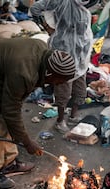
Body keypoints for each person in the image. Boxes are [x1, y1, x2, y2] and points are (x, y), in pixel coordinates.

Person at [0, 38, 76, 189]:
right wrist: (27, 142)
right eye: (57, 81)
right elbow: (10, 110)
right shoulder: (23, 73)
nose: (56, 85)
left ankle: (9, 162)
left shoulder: (43, 52)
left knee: (8, 119)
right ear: (49, 72)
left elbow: (13, 108)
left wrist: (21, 136)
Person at [30, 0, 93, 134]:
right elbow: (36, 8)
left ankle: (73, 115)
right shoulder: (62, 2)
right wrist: (46, 26)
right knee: (64, 89)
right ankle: (60, 120)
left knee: (80, 87)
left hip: (80, 54)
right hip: (64, 51)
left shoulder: (84, 9)